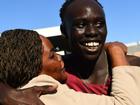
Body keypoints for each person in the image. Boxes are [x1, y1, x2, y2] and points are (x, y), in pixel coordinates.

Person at [0, 0, 140, 104]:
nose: (92, 32)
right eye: (81, 25)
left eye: (99, 24)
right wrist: (4, 93)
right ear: (64, 31)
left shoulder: (133, 65)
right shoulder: (55, 71)